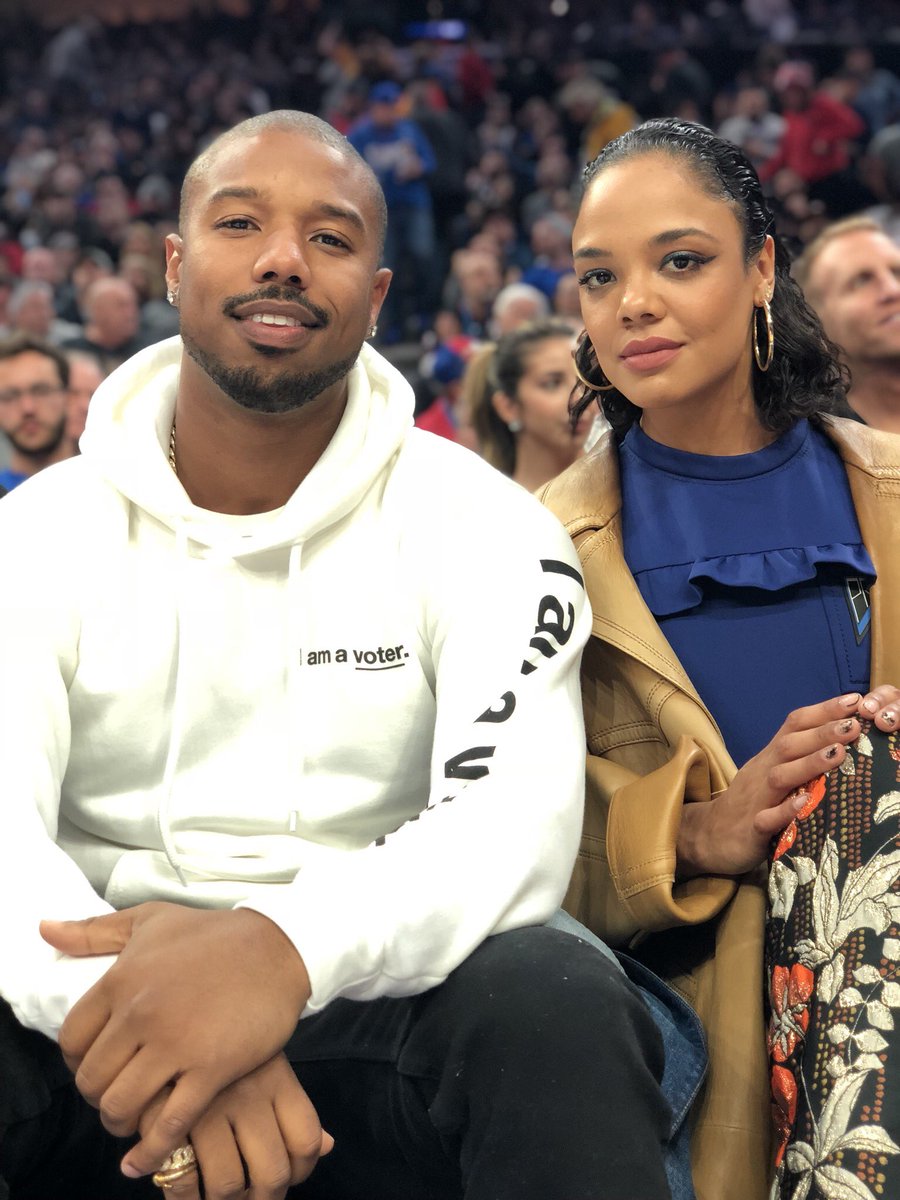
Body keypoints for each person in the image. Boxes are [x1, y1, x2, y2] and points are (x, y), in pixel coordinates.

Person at [0, 110, 676, 1200]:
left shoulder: (487, 526)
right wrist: (160, 1027)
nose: (283, 258)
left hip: (376, 990)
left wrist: (278, 954)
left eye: (329, 237)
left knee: (553, 997)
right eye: (239, 224)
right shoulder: (37, 532)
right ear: (174, 264)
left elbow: (508, 828)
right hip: (91, 998)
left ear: (377, 294)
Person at [540, 118, 900, 1200]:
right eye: (599, 277)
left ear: (762, 270)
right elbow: (498, 839)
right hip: (699, 1037)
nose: (633, 303)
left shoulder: (888, 490)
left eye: (681, 261)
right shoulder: (535, 547)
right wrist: (696, 829)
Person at [792, 215, 900, 433]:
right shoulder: (821, 447)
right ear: (817, 327)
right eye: (862, 280)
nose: (893, 290)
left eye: (897, 272)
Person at [467, 319, 591, 492]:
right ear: (508, 407)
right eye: (552, 384)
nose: (579, 397)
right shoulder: (493, 503)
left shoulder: (620, 485)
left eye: (584, 380)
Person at [0, 333, 75, 491]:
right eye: (10, 396)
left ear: (67, 397)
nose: (28, 408)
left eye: (41, 391)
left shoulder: (112, 483)